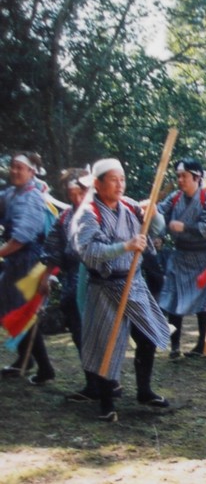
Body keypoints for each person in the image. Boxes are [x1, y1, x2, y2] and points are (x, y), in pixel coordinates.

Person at [71, 158, 170, 422]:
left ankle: (144, 390)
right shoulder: (89, 214)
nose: (120, 184)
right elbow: (91, 253)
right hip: (104, 288)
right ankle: (105, 402)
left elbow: (158, 228)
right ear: (97, 183)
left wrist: (155, 212)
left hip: (133, 283)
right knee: (108, 344)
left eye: (122, 179)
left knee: (147, 336)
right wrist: (125, 246)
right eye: (113, 179)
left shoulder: (130, 206)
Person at [40, 168, 121, 401]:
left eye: (80, 193)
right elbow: (53, 250)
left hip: (100, 281)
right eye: (71, 194)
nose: (76, 199)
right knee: (80, 335)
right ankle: (92, 384)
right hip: (71, 286)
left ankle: (110, 382)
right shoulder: (65, 218)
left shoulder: (103, 213)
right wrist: (47, 276)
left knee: (102, 335)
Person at [157, 158, 206, 359]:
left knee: (201, 302)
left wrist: (185, 227)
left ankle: (202, 344)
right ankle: (175, 347)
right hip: (179, 256)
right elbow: (159, 214)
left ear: (196, 177)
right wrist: (159, 235)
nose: (180, 180)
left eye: (184, 176)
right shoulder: (174, 198)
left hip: (202, 258)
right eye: (178, 176)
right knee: (173, 300)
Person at [0, 152, 55, 384]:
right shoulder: (12, 193)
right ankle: (26, 359)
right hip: (14, 260)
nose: (14, 171)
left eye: (20, 168)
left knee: (21, 313)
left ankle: (44, 368)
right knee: (9, 310)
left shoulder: (33, 197)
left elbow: (22, 238)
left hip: (29, 262)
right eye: (13, 167)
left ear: (32, 172)